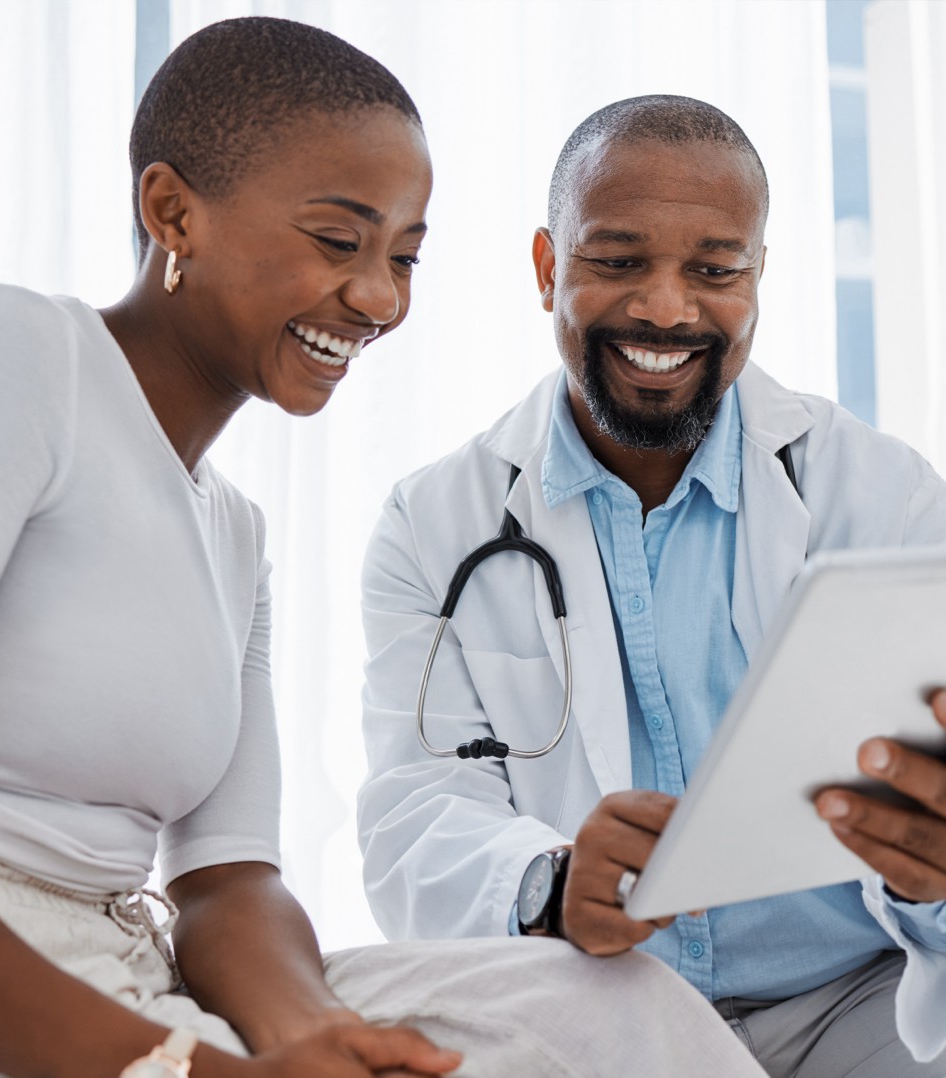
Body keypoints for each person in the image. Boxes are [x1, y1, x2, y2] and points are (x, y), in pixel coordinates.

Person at [0, 23, 766, 1078]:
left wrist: (312, 1034)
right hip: (37, 996)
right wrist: (205, 1070)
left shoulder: (233, 534)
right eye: (338, 240)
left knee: (595, 999)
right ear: (173, 211)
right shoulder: (22, 360)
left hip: (138, 971)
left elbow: (226, 879)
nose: (381, 299)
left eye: (404, 256)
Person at [358, 94, 946, 1078]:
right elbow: (413, 808)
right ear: (549, 268)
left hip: (863, 998)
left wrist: (932, 873)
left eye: (714, 270)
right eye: (619, 262)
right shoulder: (434, 522)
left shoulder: (880, 494)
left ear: (758, 278)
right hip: (601, 1009)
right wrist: (546, 884)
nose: (667, 308)